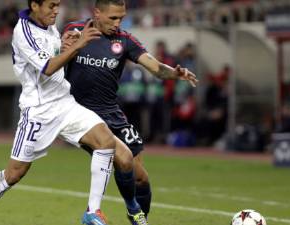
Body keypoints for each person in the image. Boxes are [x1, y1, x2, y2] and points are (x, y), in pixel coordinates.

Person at [0, 1, 116, 225]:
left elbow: (50, 56)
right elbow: (48, 68)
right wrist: (77, 45)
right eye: (51, 5)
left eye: (58, 5)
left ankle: (92, 212)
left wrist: (63, 46)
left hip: (64, 103)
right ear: (35, 5)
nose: (56, 10)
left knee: (105, 141)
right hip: (39, 112)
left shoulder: (49, 25)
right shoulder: (22, 31)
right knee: (14, 173)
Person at [61, 0, 198, 224]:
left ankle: (139, 217)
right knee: (122, 159)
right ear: (97, 13)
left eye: (121, 18)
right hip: (81, 114)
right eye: (112, 18)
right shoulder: (73, 31)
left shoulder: (124, 40)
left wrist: (175, 73)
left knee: (140, 177)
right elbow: (54, 56)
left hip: (112, 113)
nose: (117, 23)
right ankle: (130, 210)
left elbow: (155, 67)